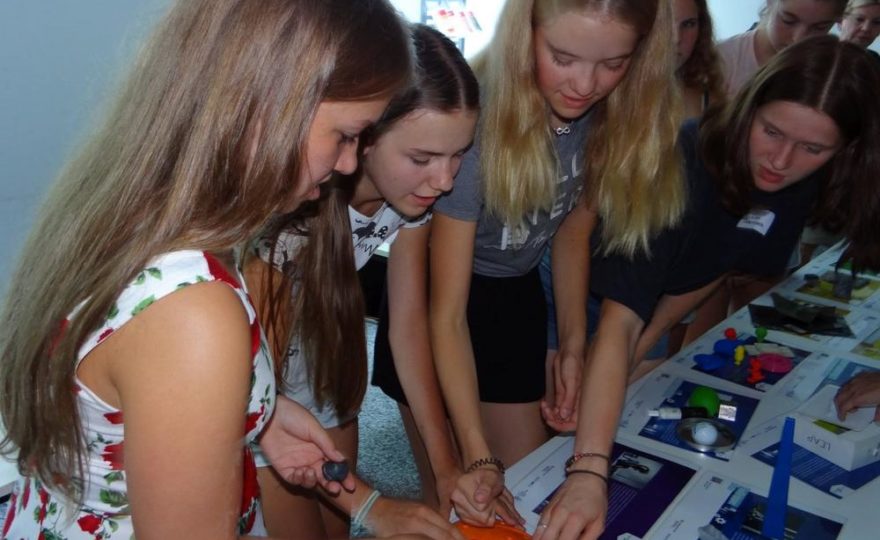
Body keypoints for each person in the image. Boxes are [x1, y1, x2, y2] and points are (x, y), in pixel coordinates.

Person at [0, 0, 413, 538]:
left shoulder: (135, 216)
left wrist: (259, 415)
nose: (349, 163)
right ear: (268, 109)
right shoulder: (193, 311)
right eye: (346, 135)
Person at [537, 35, 880, 540]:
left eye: (812, 149)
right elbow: (620, 318)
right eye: (771, 132)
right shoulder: (680, 163)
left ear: (846, 150)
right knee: (567, 425)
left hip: (657, 288)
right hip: (584, 277)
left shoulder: (812, 179)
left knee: (619, 388)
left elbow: (722, 261)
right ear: (750, 108)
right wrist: (589, 469)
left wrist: (638, 350)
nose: (781, 160)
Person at [429, 0, 683, 527]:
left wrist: (572, 342)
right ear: (525, 35)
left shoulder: (605, 121)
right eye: (563, 58)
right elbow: (446, 314)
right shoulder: (474, 127)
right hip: (444, 308)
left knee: (528, 485)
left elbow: (571, 232)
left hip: (517, 293)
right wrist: (476, 451)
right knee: (467, 493)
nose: (586, 85)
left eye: (613, 64)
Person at [248, 24, 478, 539]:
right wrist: (373, 504)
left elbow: (408, 328)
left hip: (324, 365)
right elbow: (259, 381)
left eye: (459, 154)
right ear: (364, 139)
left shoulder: (411, 198)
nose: (445, 180)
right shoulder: (294, 215)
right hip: (261, 388)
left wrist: (445, 467)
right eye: (422, 159)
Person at [716, 0, 846, 96]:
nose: (798, 39)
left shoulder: (832, 71)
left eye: (819, 28)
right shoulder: (723, 59)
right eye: (788, 21)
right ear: (770, 2)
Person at [673, 0, 724, 118]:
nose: (676, 39)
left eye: (688, 24)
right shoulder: (627, 87)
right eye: (664, 23)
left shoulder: (710, 103)